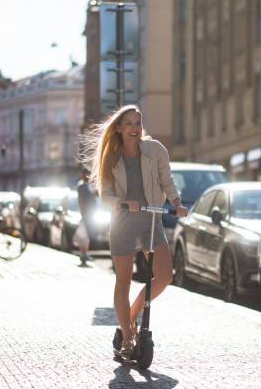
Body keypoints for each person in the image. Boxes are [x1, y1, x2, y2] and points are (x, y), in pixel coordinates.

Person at [85, 104, 188, 357]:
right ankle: (128, 338)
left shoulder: (155, 150)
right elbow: (105, 196)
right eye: (129, 123)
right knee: (123, 280)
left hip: (150, 219)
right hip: (122, 221)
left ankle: (129, 319)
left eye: (138, 123)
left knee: (164, 276)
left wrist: (176, 202)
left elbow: (167, 180)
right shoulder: (111, 157)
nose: (135, 128)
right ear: (119, 128)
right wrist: (122, 203)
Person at [74, 168, 95, 266]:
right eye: (86, 175)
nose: (87, 176)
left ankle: (84, 253)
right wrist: (83, 212)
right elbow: (81, 200)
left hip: (90, 214)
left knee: (86, 235)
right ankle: (83, 253)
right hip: (86, 214)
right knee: (84, 235)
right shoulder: (82, 186)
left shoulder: (91, 186)